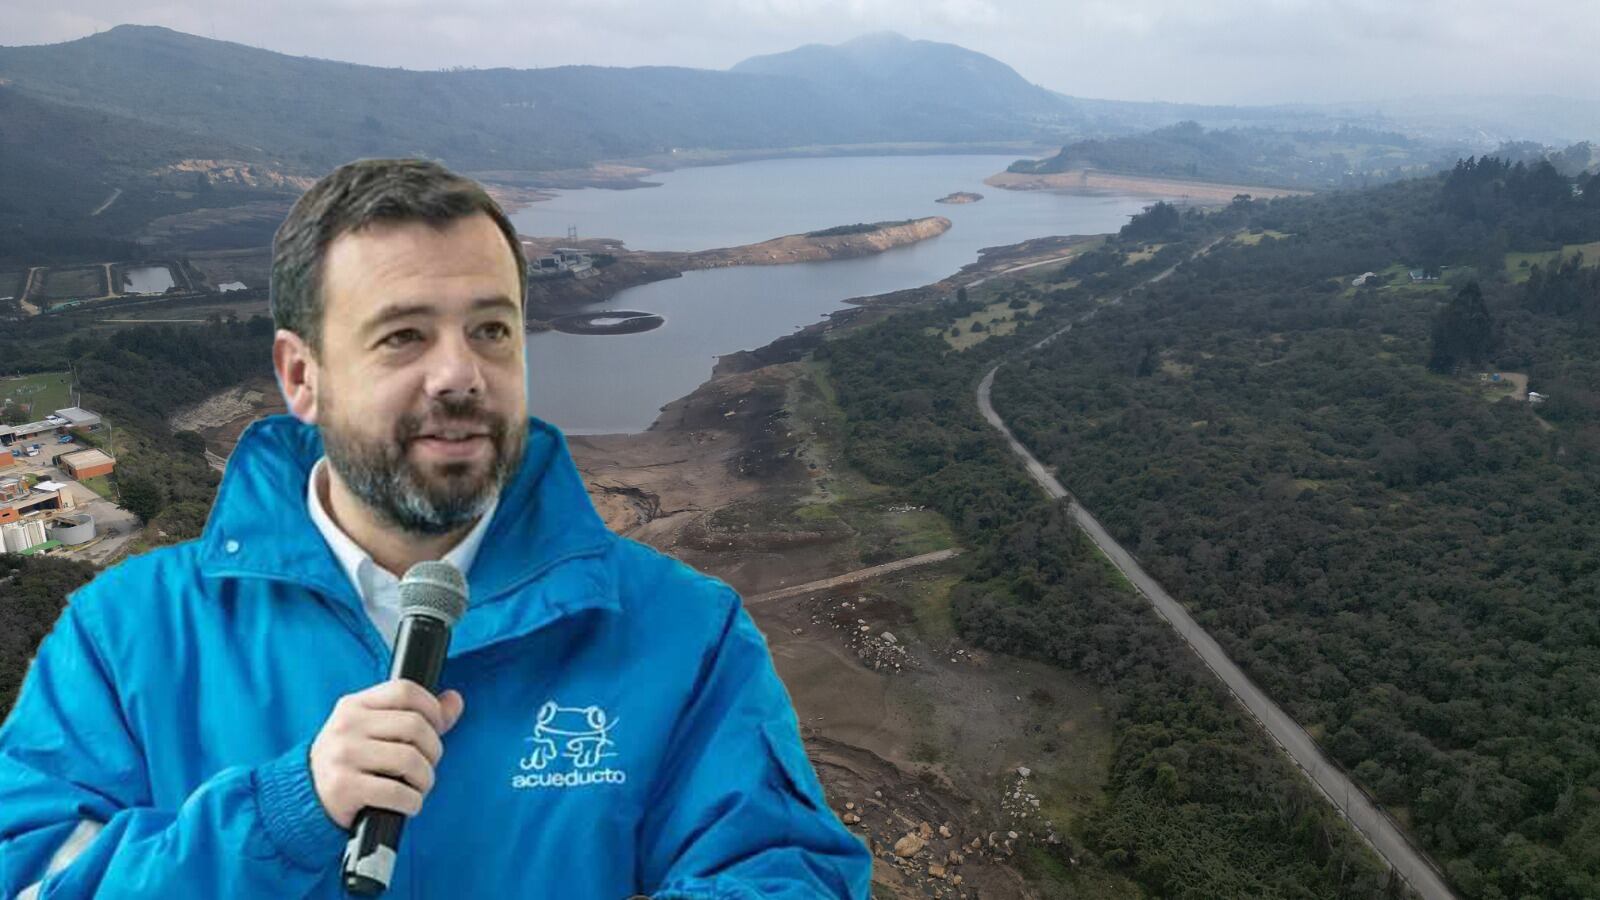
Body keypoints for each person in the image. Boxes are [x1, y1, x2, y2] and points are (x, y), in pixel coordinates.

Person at [0, 159, 873, 898]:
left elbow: (777, 868)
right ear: (302, 376)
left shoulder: (686, 633)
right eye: (404, 336)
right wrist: (282, 814)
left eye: (491, 329)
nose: (460, 374)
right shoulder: (123, 636)